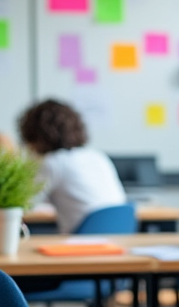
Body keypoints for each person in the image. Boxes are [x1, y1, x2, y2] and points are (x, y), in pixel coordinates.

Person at [17, 99, 126, 234]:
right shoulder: (97, 155)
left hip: (80, 241)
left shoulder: (52, 162)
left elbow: (24, 205)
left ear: (34, 135)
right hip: (118, 238)